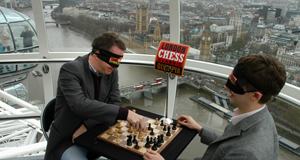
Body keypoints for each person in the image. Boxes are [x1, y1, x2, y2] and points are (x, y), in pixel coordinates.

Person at [143, 54, 286, 160]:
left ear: (255, 96)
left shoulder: (247, 154)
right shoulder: (262, 117)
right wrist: (200, 129)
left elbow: (238, 150)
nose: (225, 87)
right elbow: (229, 145)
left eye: (233, 85)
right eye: (228, 80)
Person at [45, 32, 146, 160]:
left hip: (96, 133)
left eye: (119, 61)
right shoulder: (70, 70)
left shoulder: (111, 72)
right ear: (97, 55)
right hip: (68, 140)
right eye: (113, 60)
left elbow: (114, 103)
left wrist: (87, 125)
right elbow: (79, 104)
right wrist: (125, 113)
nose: (115, 67)